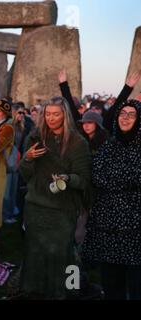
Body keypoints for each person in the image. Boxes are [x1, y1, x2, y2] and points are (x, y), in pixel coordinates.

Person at [19, 97, 91, 299]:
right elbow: (25, 174)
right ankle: (35, 292)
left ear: (65, 115)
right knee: (35, 254)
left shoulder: (78, 143)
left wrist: (67, 179)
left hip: (62, 209)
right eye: (47, 114)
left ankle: (68, 291)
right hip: (35, 206)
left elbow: (84, 180)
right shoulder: (35, 137)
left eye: (56, 114)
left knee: (63, 255)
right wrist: (28, 158)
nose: (51, 118)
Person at [82, 100, 141, 300]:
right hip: (108, 227)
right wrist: (127, 182)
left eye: (131, 114)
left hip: (135, 229)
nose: (125, 117)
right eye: (122, 113)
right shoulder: (109, 145)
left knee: (136, 285)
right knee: (112, 283)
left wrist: (115, 180)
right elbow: (97, 176)